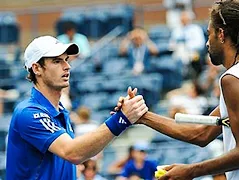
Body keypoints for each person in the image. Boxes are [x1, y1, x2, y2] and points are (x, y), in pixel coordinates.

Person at [116, 0, 239, 179]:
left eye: (208, 34)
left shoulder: (233, 79)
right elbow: (202, 133)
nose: (206, 43)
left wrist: (191, 171)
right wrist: (142, 116)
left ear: (221, 34)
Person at [5, 35, 148, 180]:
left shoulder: (59, 110)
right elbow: (72, 152)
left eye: (66, 60)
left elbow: (76, 154)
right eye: (57, 61)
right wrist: (120, 119)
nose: (67, 66)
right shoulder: (29, 113)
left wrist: (120, 118)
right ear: (36, 68)